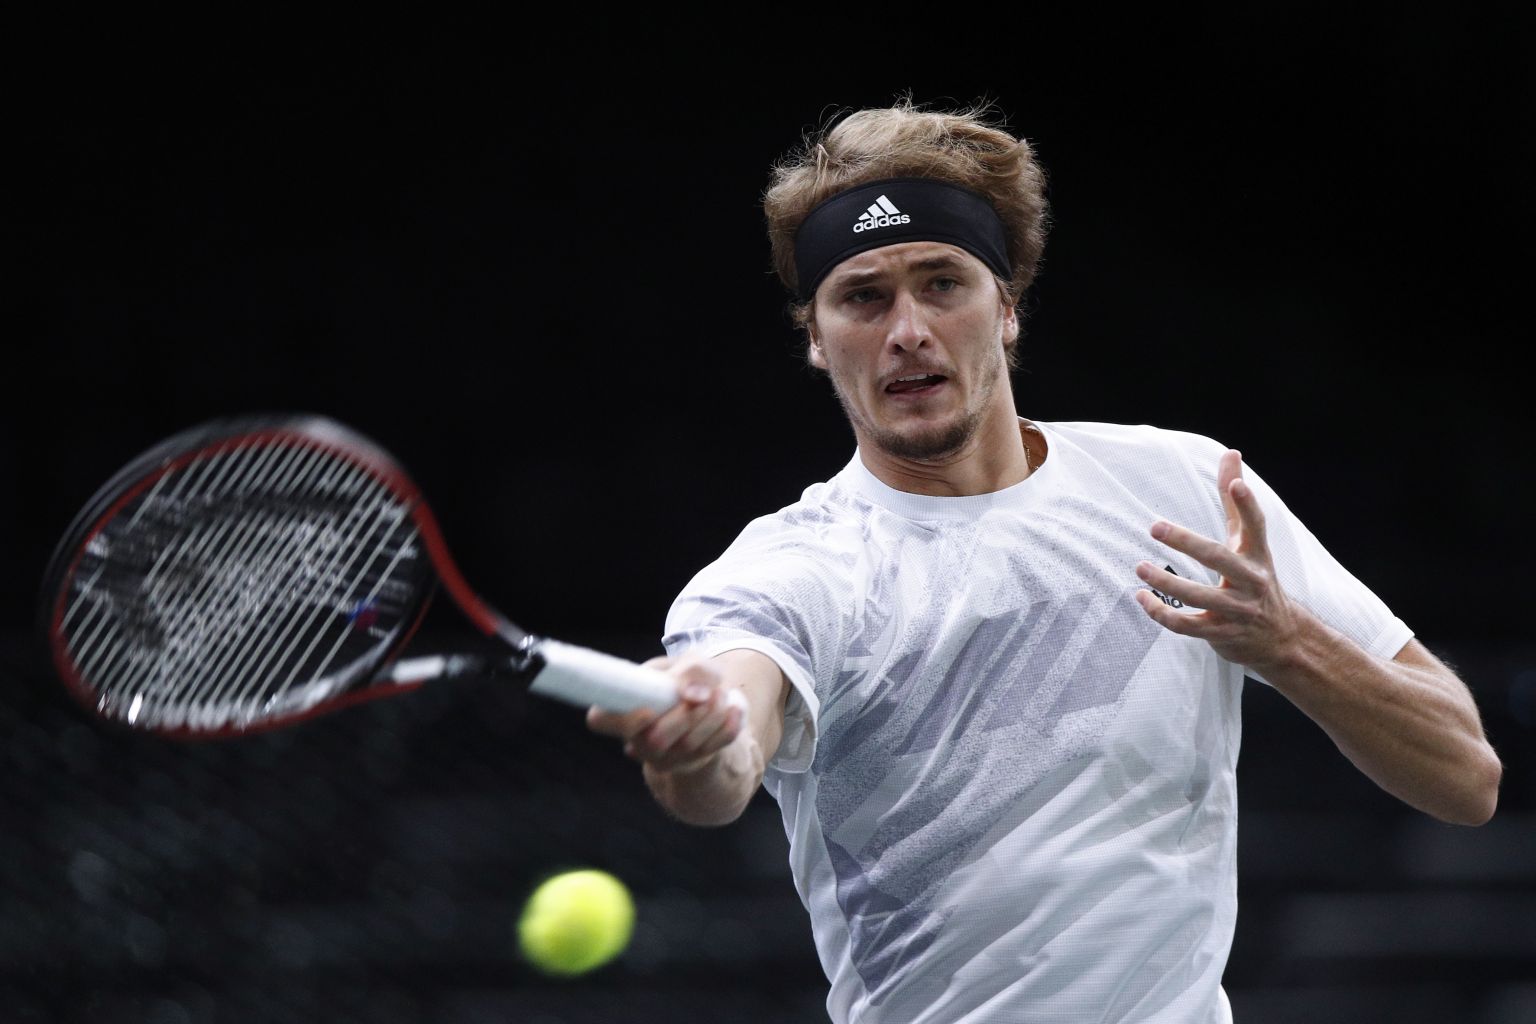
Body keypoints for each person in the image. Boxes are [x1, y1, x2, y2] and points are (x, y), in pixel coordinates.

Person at [587, 99, 1502, 1023]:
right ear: (816, 339)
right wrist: (699, 735)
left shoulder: (1189, 489)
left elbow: (1466, 776)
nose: (908, 330)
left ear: (1007, 309)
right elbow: (722, 758)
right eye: (863, 297)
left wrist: (1288, 642)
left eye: (943, 283)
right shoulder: (791, 570)